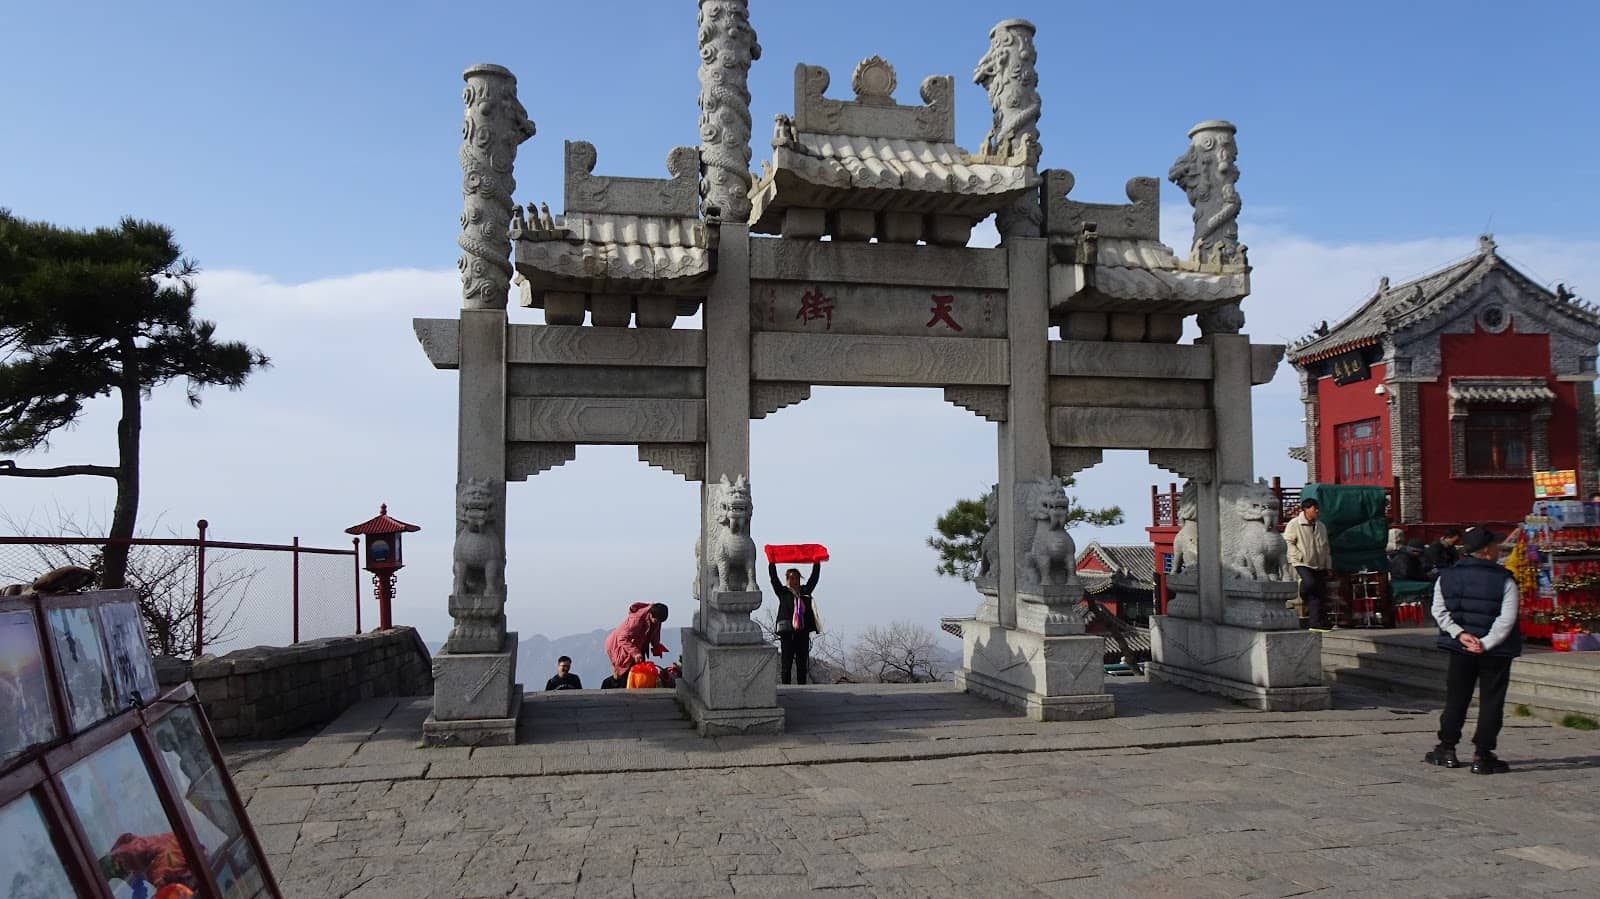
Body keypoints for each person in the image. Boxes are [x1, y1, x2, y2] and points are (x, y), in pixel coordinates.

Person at [1424, 526, 1521, 774]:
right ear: (1487, 551)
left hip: (1460, 647)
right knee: (1492, 701)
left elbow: (1439, 611)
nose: (1499, 549)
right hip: (1496, 651)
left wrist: (1461, 635)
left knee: (1457, 697)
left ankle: (1447, 748)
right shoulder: (1505, 579)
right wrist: (1486, 643)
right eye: (1496, 546)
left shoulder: (1447, 576)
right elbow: (1506, 619)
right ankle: (1483, 754)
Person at [1284, 498, 1333, 630]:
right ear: (1306, 509)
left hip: (1319, 564)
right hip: (1301, 563)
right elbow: (1288, 542)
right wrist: (1298, 556)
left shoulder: (1321, 525)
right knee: (1311, 585)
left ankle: (1316, 623)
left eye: (1317, 508)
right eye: (1314, 508)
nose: (1317, 510)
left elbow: (1326, 547)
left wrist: (1328, 565)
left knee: (1318, 592)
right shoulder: (1294, 524)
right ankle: (1303, 590)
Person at [769, 562, 820, 685]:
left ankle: (803, 689)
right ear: (787, 579)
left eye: (796, 578)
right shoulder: (783, 592)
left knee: (802, 664)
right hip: (787, 633)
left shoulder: (805, 592)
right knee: (786, 664)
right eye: (791, 578)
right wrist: (772, 563)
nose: (794, 581)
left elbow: (814, 578)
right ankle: (787, 688)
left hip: (802, 633)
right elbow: (774, 579)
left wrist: (816, 562)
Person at [604, 602, 669, 683]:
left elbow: (654, 633)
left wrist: (656, 646)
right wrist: (635, 653)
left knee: (639, 673)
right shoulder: (636, 619)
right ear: (651, 615)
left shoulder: (657, 617)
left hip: (636, 645)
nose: (658, 623)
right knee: (624, 675)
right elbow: (622, 638)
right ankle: (608, 686)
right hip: (618, 645)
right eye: (657, 621)